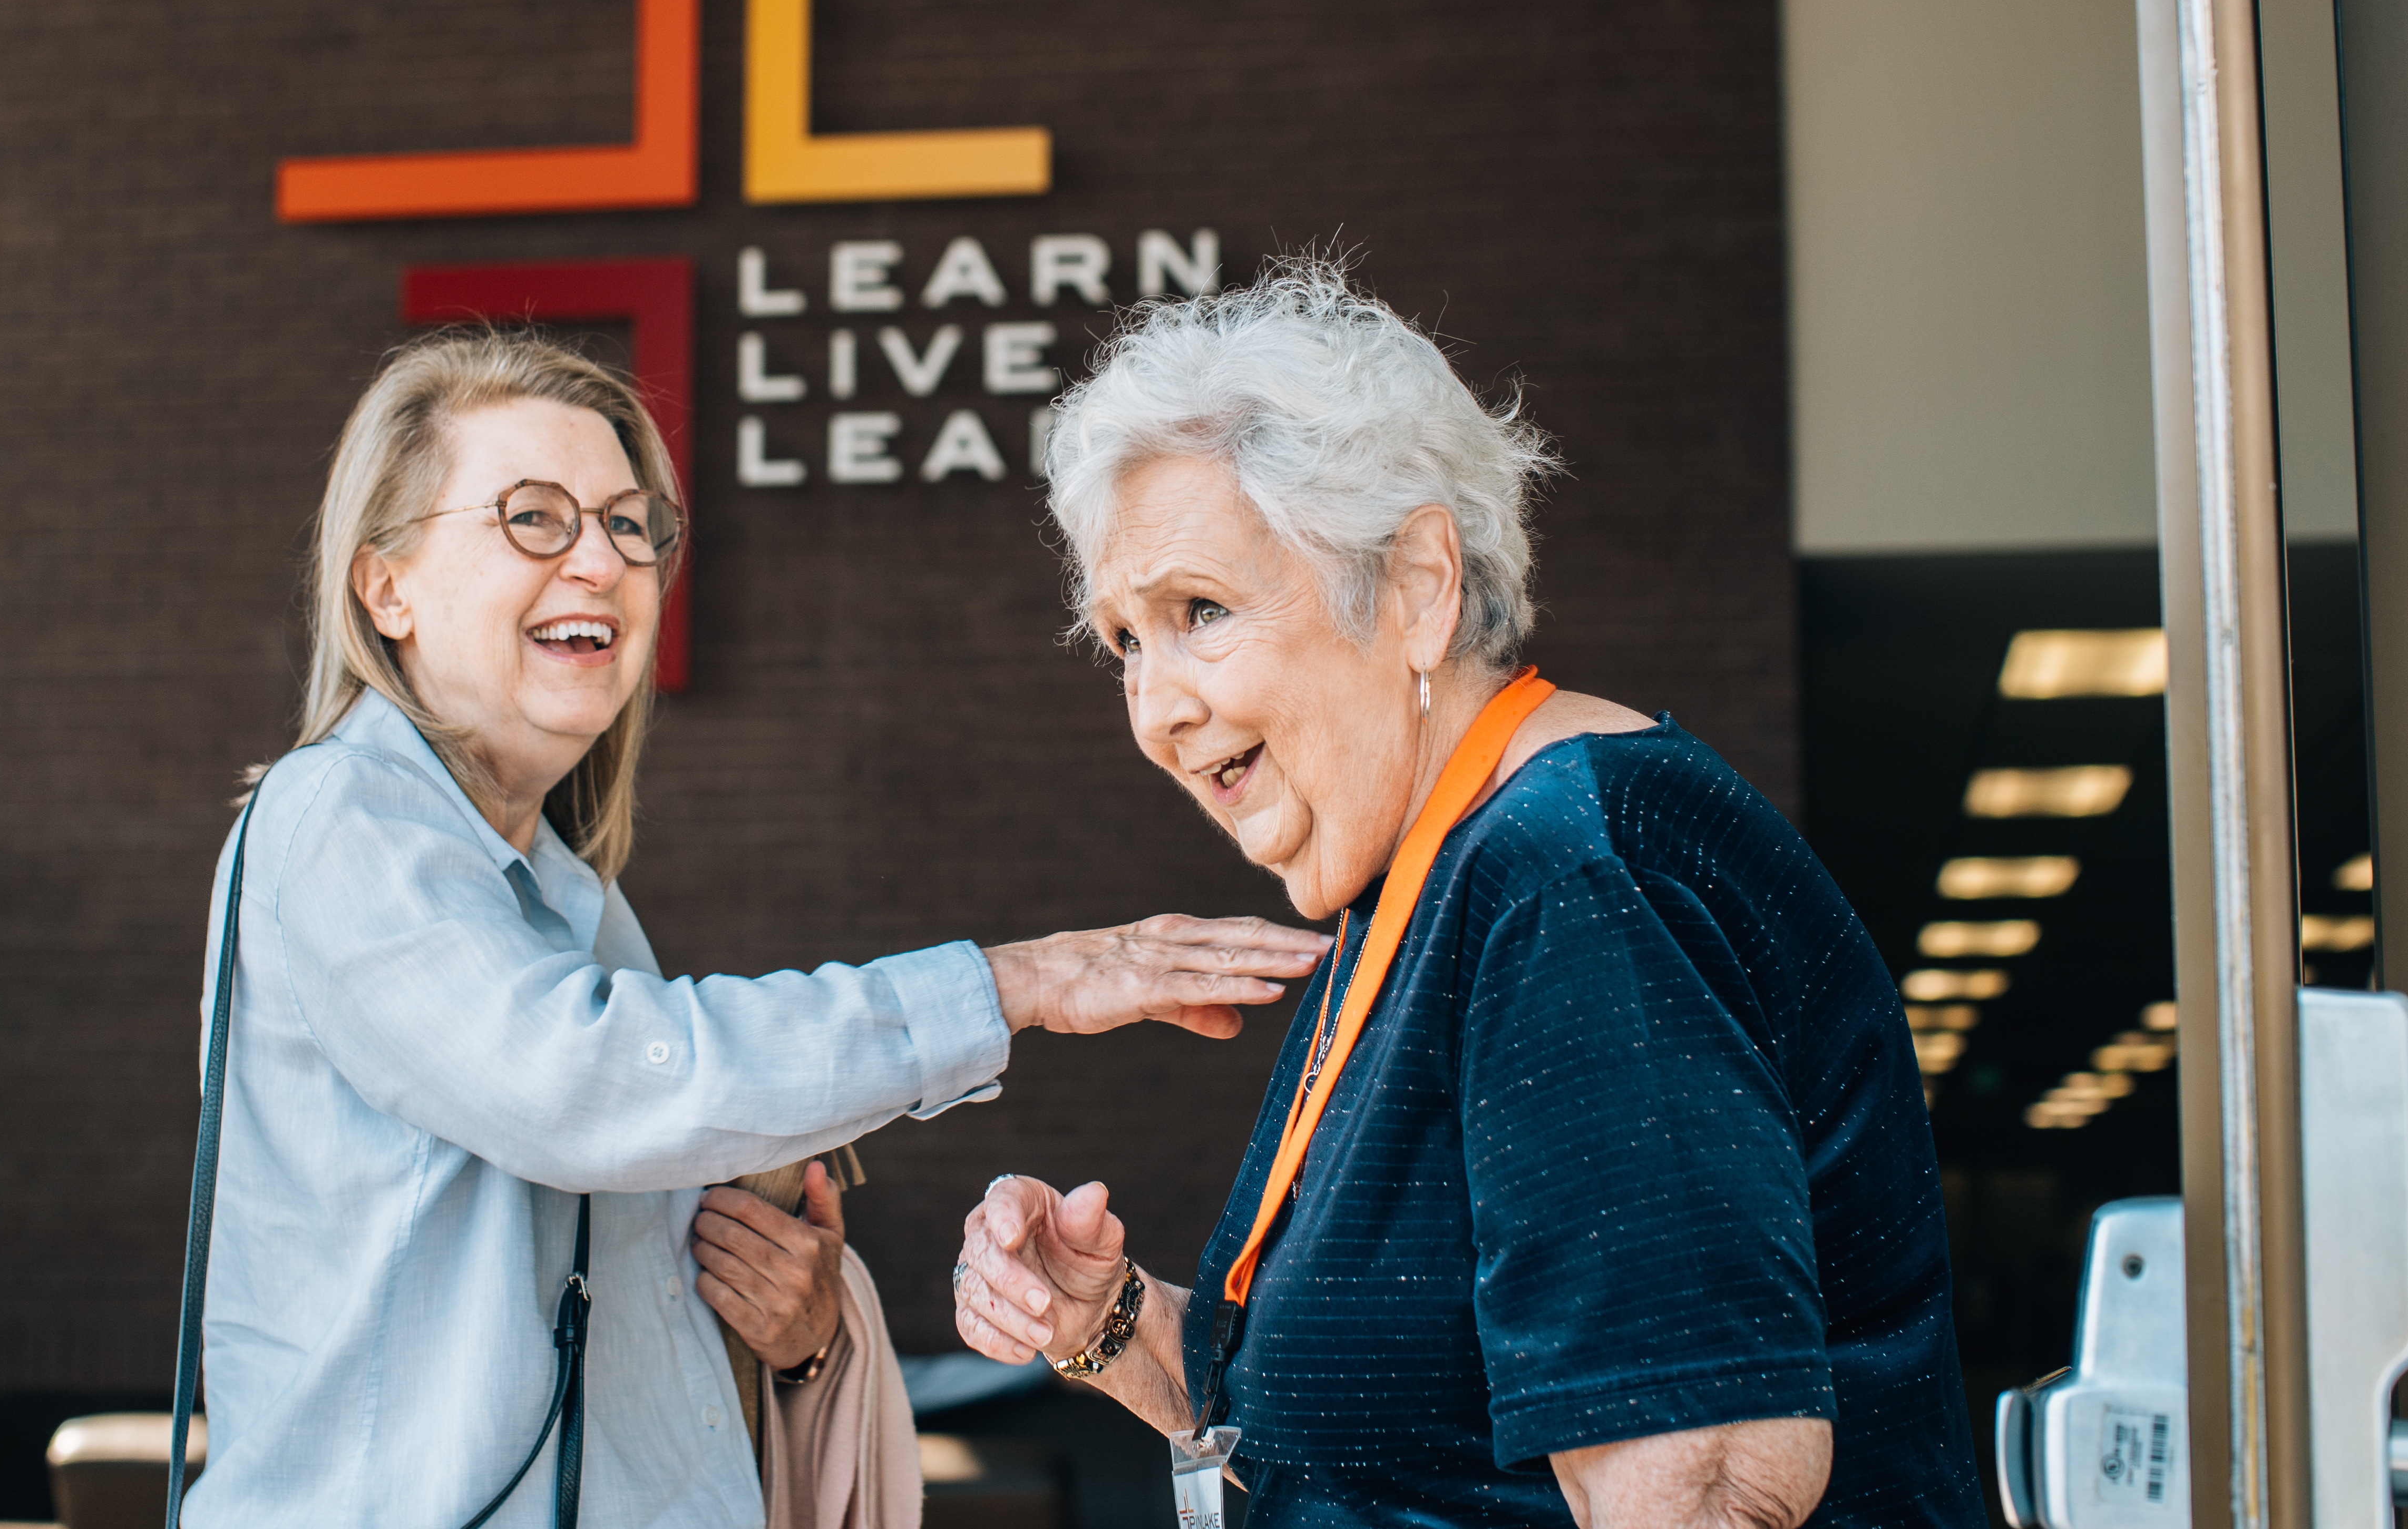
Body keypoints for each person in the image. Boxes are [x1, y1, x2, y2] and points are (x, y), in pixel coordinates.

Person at [182, 330, 1325, 1528]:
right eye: (534, 516)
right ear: (387, 585)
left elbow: (651, 1263)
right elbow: (590, 1085)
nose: (600, 558)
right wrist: (1016, 980)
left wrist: (804, 1333)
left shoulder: (578, 904)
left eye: (631, 525)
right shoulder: (336, 817)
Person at [949, 262, 1977, 1528]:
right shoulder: (1435, 879)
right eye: (1123, 643)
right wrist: (1112, 1323)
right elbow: (1388, 1435)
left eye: (1198, 611)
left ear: (1419, 584)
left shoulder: (1568, 876)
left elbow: (1703, 1485)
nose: (1156, 711)